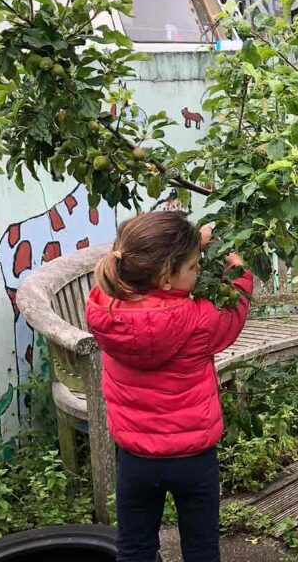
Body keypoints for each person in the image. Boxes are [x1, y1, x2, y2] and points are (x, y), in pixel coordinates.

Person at [86, 212, 252, 562]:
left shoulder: (105, 308)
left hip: (136, 459)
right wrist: (240, 272)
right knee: (202, 549)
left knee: (134, 548)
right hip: (193, 460)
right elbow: (233, 308)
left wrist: (192, 245)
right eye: (193, 267)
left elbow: (135, 260)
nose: (197, 271)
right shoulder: (199, 320)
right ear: (165, 278)